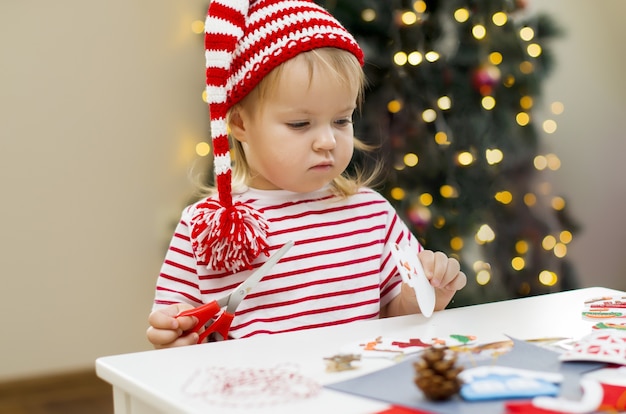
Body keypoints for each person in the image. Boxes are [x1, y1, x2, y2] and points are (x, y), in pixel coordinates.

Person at [147, 0, 467, 349]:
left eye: (341, 120)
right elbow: (177, 325)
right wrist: (174, 334)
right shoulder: (207, 228)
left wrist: (423, 295)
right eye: (300, 124)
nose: (328, 141)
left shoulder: (371, 215)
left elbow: (395, 319)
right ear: (239, 123)